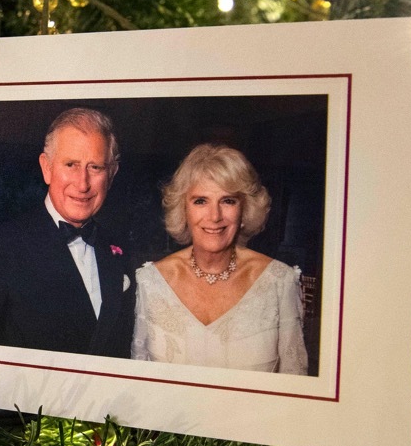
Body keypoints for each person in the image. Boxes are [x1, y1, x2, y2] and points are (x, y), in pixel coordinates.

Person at [0, 107, 135, 357]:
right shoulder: (0, 248)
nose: (82, 183)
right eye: (70, 164)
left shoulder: (120, 250)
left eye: (95, 167)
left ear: (111, 174)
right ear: (47, 167)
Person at [132, 144, 308, 374]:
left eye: (228, 201)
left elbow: (295, 383)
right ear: (183, 210)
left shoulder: (279, 281)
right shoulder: (152, 282)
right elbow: (140, 380)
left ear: (244, 210)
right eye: (200, 201)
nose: (214, 216)